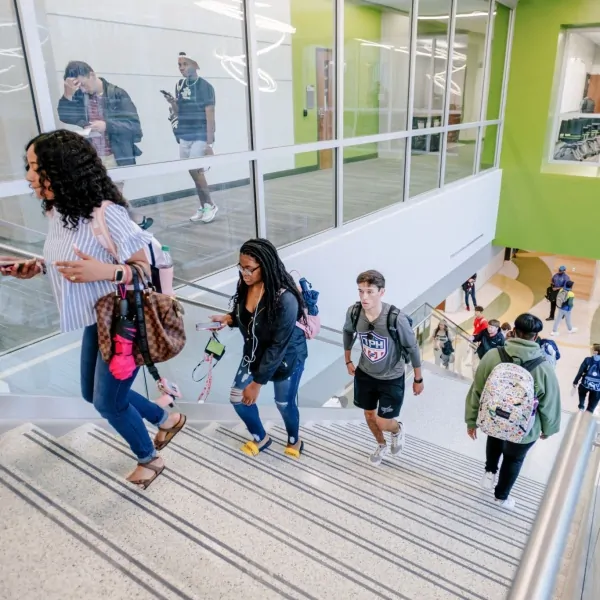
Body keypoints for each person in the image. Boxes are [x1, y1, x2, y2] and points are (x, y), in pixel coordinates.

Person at [1, 130, 186, 489]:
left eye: (36, 167)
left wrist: (106, 272)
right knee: (93, 394)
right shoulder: (58, 212)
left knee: (108, 403)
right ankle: (166, 419)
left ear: (62, 169)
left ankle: (150, 458)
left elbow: (144, 268)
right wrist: (37, 267)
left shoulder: (107, 214)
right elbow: (71, 260)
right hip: (97, 320)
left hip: (124, 323)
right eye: (29, 166)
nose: (29, 176)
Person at [210, 239, 307, 458]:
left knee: (283, 403)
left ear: (265, 265)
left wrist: (257, 384)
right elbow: (249, 316)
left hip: (286, 357)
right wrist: (229, 319)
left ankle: (294, 439)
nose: (244, 273)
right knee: (237, 397)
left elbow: (278, 345)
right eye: (241, 267)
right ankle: (260, 437)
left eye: (249, 268)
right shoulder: (246, 284)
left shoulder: (286, 299)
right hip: (254, 352)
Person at [465, 314, 561, 509]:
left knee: (495, 436)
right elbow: (550, 403)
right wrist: (549, 429)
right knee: (514, 458)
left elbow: (477, 390)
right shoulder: (544, 367)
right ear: (535, 337)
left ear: (514, 331)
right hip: (525, 429)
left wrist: (471, 420)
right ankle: (501, 497)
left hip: (494, 417)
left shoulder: (493, 355)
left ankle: (489, 473)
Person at [57, 60, 152, 230]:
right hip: (93, 157)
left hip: (115, 156)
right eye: (78, 87)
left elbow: (135, 127)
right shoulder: (80, 96)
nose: (82, 90)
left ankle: (126, 232)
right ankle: (136, 222)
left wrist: (107, 126)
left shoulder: (117, 94)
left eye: (83, 84)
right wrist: (68, 94)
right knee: (108, 198)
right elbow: (65, 115)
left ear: (92, 75)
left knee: (109, 201)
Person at [342, 270, 423, 466]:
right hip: (365, 374)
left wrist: (418, 378)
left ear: (381, 292)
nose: (364, 297)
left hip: (391, 377)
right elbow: (347, 332)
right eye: (361, 291)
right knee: (369, 415)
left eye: (370, 291)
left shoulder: (396, 318)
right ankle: (381, 444)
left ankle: (397, 430)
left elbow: (412, 348)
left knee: (384, 422)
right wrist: (348, 360)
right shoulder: (354, 313)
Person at [166, 52, 218, 224]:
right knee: (192, 171)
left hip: (200, 134)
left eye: (185, 64)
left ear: (195, 65)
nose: (181, 68)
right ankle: (204, 205)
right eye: (179, 65)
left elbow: (210, 115)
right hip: (185, 134)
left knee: (197, 170)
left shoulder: (205, 87)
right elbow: (178, 112)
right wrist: (172, 102)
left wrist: (209, 143)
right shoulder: (180, 85)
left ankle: (210, 204)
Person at [573, 345, 600, 412]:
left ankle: (581, 406)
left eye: (593, 349)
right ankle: (588, 413)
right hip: (597, 388)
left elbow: (580, 372)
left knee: (582, 392)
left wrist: (575, 381)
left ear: (596, 352)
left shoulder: (587, 359)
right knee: (591, 407)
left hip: (585, 384)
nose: (591, 350)